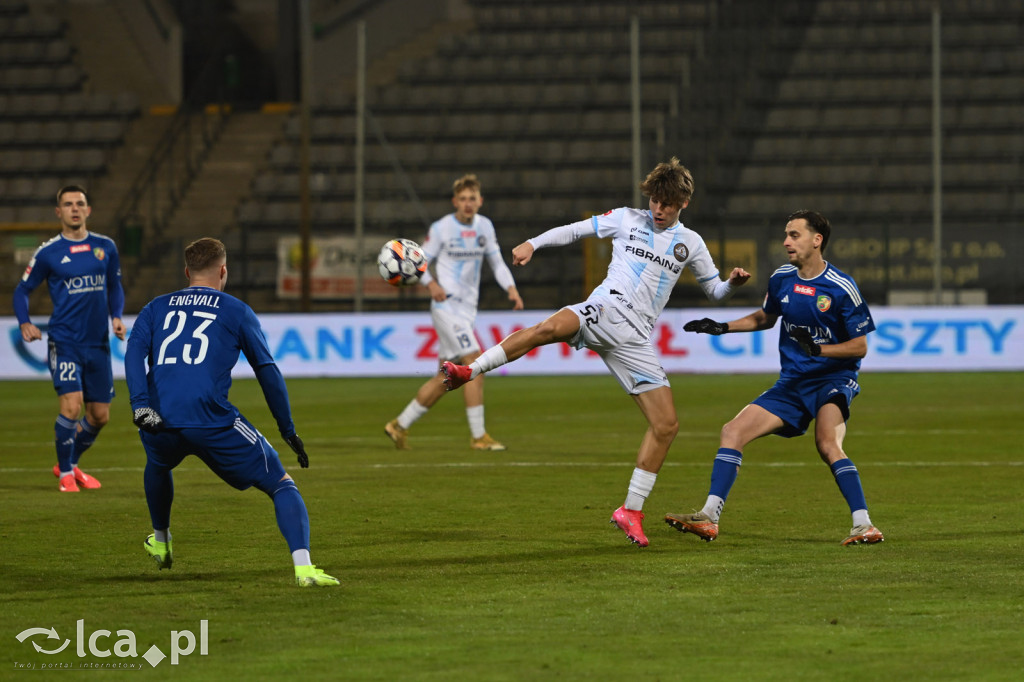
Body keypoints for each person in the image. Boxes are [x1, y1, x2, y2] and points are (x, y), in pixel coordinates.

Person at [441, 158, 751, 547]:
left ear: (683, 203)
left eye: (668, 203)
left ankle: (630, 511)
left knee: (667, 425)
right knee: (549, 328)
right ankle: (470, 371)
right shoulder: (626, 219)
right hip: (606, 307)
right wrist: (533, 243)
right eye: (655, 200)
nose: (659, 209)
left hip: (636, 337)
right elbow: (575, 231)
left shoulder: (691, 244)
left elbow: (715, 292)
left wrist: (732, 283)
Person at [124, 238, 339, 587]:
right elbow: (267, 371)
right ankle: (304, 568)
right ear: (223, 271)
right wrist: (287, 429)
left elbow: (133, 354)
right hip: (211, 417)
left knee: (158, 465)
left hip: (157, 416)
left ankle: (160, 542)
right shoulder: (236, 310)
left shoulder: (155, 307)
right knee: (282, 485)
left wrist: (139, 405)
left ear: (186, 272)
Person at [664, 210, 884, 546]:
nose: (786, 242)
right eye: (786, 234)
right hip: (793, 382)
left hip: (833, 380)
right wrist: (723, 327)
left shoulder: (841, 288)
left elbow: (860, 346)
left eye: (794, 235)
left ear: (817, 240)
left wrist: (820, 352)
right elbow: (766, 317)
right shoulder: (782, 277)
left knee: (827, 444)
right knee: (732, 431)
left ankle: (863, 524)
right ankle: (708, 518)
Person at [385, 174, 524, 452]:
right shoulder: (441, 229)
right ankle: (478, 437)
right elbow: (417, 263)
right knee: (475, 365)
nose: (468, 203)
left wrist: (511, 287)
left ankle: (399, 425)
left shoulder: (485, 227)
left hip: (467, 310)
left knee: (446, 378)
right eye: (463, 199)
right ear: (455, 202)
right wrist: (432, 284)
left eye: (472, 198)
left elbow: (497, 262)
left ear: (480, 201)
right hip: (446, 307)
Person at [12, 185, 125, 493]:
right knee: (72, 407)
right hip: (64, 341)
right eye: (68, 204)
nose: (75, 208)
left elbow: (115, 287)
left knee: (99, 416)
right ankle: (65, 475)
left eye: (80, 203)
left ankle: (70, 464)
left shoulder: (106, 247)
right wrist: (25, 323)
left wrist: (116, 315)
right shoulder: (48, 253)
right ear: (58, 212)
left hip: (97, 343)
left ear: (88, 210)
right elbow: (22, 291)